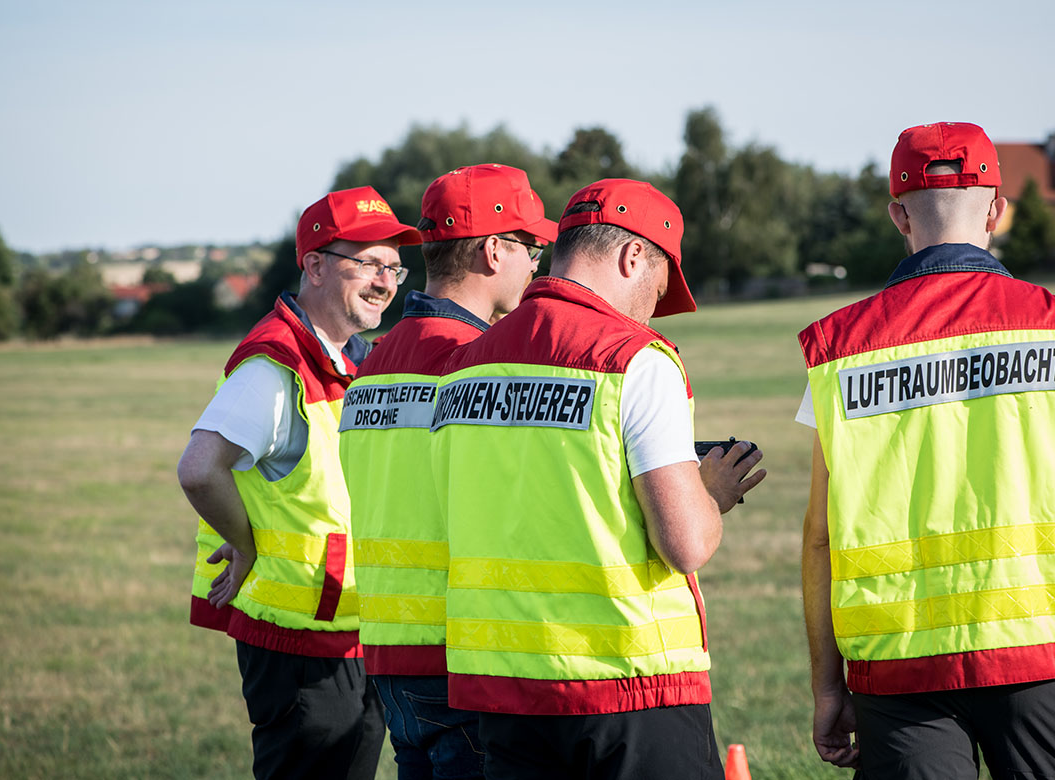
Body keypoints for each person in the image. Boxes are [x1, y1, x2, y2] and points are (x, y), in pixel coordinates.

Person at [797, 122, 1055, 779]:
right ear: (998, 210)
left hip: (899, 661)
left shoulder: (841, 348)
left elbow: (820, 537)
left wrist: (828, 688)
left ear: (899, 215)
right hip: (1043, 642)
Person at [429, 178, 767, 779]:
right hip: (627, 683)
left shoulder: (462, 365)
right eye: (658, 288)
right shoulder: (635, 358)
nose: (651, 308)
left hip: (504, 685)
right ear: (633, 255)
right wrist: (710, 495)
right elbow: (684, 543)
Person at [178, 186, 421, 779]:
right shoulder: (275, 365)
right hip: (300, 645)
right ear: (313, 265)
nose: (384, 281)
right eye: (366, 263)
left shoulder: (354, 358)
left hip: (351, 632)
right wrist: (249, 542)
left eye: (393, 265)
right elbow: (199, 469)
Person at [338, 163, 558, 779]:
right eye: (532, 246)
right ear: (494, 250)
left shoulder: (378, 359)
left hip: (389, 647)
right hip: (461, 649)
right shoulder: (465, 362)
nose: (538, 263)